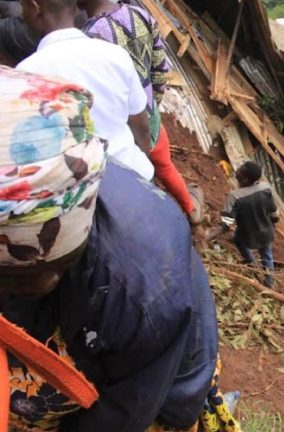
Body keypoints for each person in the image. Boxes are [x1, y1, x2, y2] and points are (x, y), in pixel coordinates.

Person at [0, 67, 238, 431]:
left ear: (59, 258)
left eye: (14, 280)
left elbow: (125, 413)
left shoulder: (143, 296)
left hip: (155, 375)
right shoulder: (50, 174)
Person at [78, 0, 202, 224]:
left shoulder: (90, 36)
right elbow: (160, 68)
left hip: (121, 128)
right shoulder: (139, 14)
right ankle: (191, 210)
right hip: (149, 116)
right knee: (165, 166)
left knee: (130, 179)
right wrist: (151, 107)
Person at [15, 0, 155, 181]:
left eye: (23, 6)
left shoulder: (28, 74)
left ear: (35, 8)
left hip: (83, 188)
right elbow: (142, 128)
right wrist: (142, 180)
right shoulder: (116, 55)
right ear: (75, 9)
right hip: (135, 172)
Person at [221, 161, 279, 287]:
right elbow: (274, 214)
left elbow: (227, 221)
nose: (237, 170)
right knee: (266, 255)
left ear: (245, 179)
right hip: (266, 232)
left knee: (238, 240)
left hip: (248, 235)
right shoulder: (265, 189)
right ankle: (270, 281)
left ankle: (252, 264)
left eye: (240, 170)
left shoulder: (234, 196)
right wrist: (272, 222)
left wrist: (220, 228)